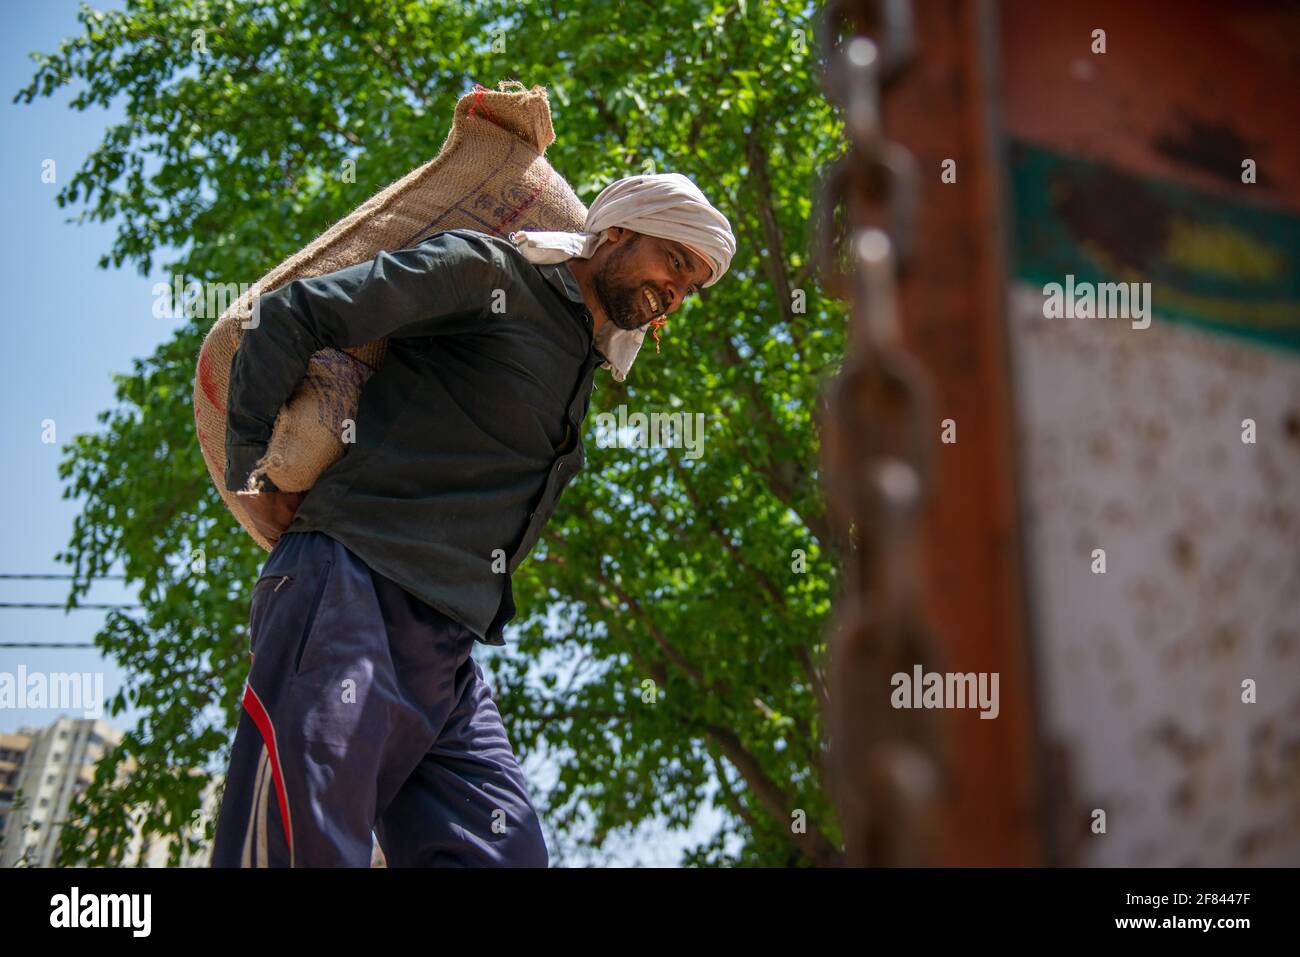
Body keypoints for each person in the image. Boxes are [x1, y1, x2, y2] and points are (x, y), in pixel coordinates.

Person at [209, 172, 736, 867]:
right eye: (674, 260)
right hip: (346, 591)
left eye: (690, 285)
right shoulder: (493, 275)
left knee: (507, 854)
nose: (676, 290)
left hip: (446, 653)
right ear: (616, 232)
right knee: (300, 849)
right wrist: (252, 467)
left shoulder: (582, 367)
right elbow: (290, 313)